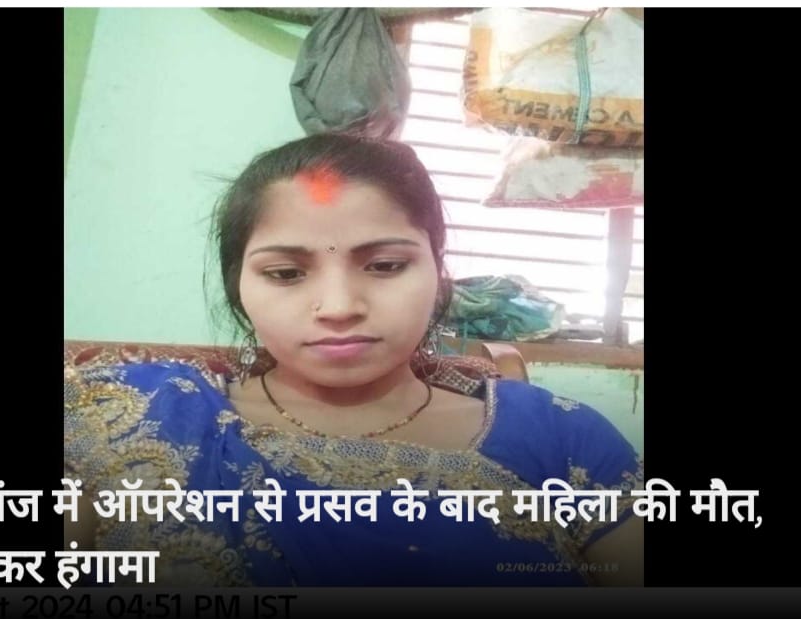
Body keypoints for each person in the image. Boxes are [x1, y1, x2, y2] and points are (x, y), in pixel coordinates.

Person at [63, 134, 644, 586]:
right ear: (238, 283)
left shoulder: (562, 438)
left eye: (386, 265)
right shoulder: (131, 414)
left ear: (438, 272)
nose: (339, 307)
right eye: (285, 273)